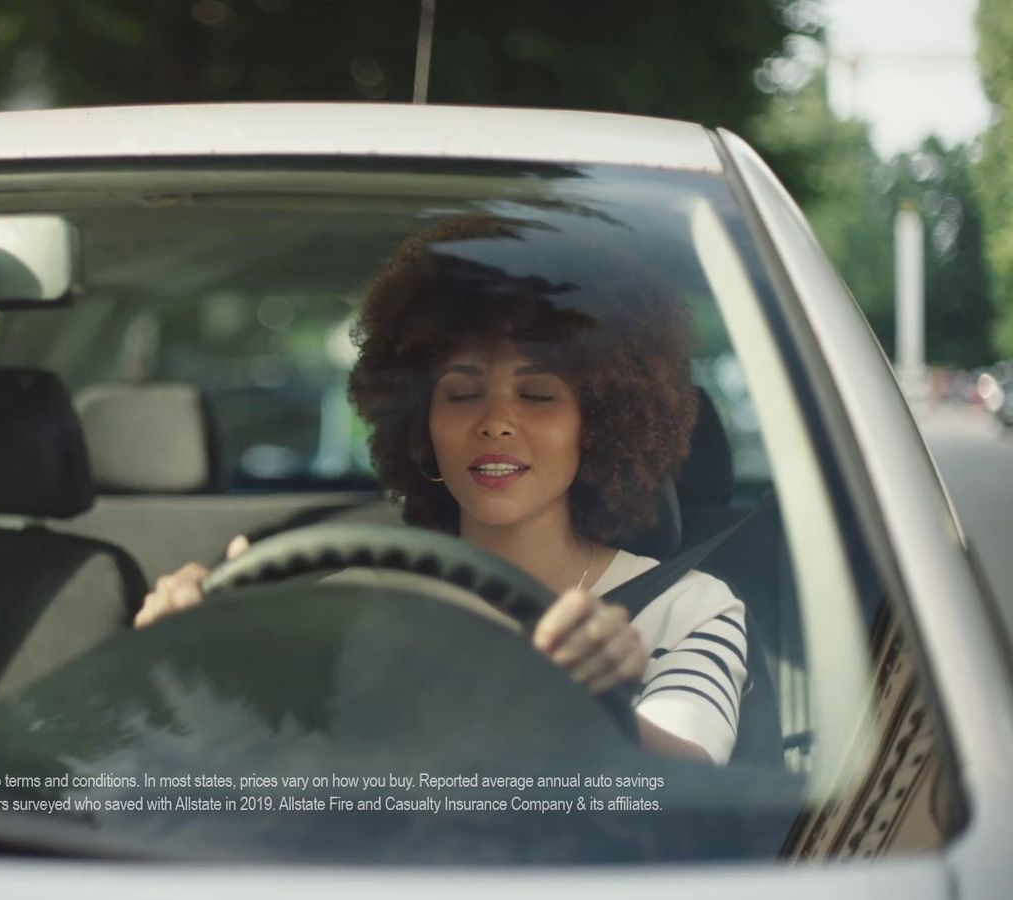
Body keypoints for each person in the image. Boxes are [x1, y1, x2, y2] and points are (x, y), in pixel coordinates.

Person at [135, 217, 749, 765]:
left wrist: (596, 705)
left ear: (602, 424)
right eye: (461, 393)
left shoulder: (687, 609)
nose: (496, 421)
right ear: (421, 425)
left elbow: (691, 775)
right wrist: (184, 666)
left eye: (537, 395)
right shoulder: (346, 608)